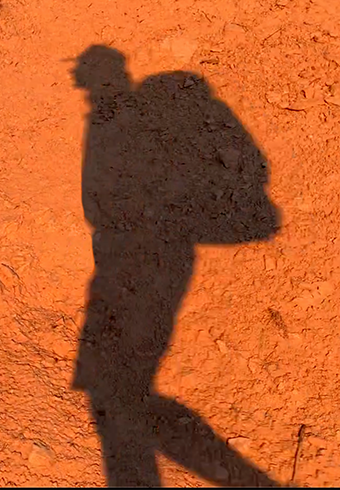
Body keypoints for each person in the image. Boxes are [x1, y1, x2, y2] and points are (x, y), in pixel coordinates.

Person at [72, 45, 279, 487]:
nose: (82, 81)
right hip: (125, 254)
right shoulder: (110, 117)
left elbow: (262, 215)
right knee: (119, 382)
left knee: (125, 391)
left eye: (87, 72)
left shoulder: (136, 117)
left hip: (156, 255)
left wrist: (177, 222)